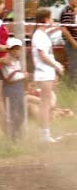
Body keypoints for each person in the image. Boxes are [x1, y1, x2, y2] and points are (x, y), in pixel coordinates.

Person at [32, 8, 65, 142]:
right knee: (45, 103)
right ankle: (44, 135)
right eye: (50, 18)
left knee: (46, 102)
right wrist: (56, 65)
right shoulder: (39, 35)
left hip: (47, 72)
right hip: (43, 73)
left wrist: (55, 67)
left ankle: (45, 133)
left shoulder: (43, 34)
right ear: (45, 19)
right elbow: (42, 55)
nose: (52, 21)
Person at [0, 38, 27, 141]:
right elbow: (10, 77)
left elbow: (17, 74)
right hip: (10, 89)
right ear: (8, 50)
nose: (15, 51)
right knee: (12, 113)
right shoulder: (6, 60)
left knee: (21, 113)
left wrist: (21, 75)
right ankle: (12, 136)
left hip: (19, 88)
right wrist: (23, 75)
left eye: (17, 49)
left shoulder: (17, 60)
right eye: (12, 49)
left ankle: (17, 133)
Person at [60, 0, 77, 85]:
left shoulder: (74, 11)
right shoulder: (66, 12)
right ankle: (72, 84)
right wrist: (73, 43)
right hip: (71, 43)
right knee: (73, 63)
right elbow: (65, 30)